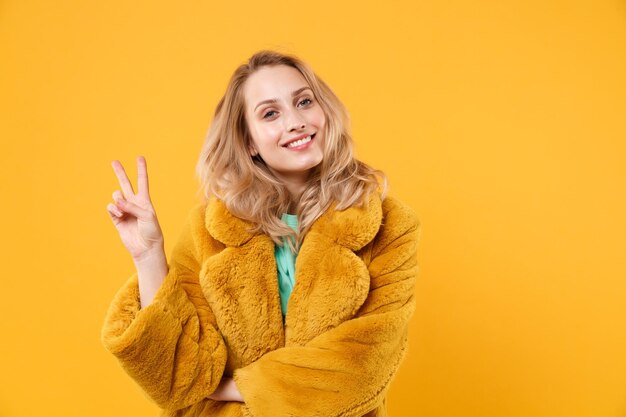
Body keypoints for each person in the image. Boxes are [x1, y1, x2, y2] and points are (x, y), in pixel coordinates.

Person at [102, 50, 421, 417]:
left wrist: (234, 387)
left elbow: (365, 362)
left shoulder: (390, 225)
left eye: (304, 102)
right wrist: (148, 255)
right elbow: (177, 373)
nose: (296, 121)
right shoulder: (210, 228)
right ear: (249, 141)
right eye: (271, 113)